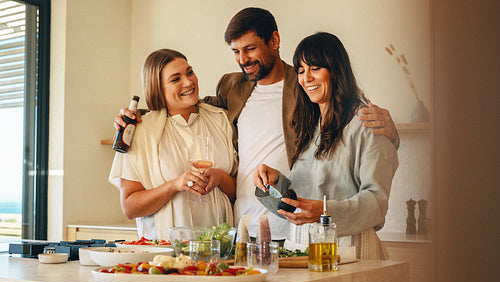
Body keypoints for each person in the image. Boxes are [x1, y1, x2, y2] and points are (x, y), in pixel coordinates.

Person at [114, 7, 399, 243]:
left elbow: (343, 113)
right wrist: (136, 117)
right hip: (241, 228)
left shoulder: (302, 88)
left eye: (249, 48)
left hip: (293, 229)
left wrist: (390, 131)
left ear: (274, 40)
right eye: (236, 51)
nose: (242, 59)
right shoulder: (232, 88)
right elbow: (185, 104)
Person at [253, 32, 399, 259]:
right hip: (301, 249)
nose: (306, 78)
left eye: (315, 68)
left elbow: (377, 202)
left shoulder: (368, 121)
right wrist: (276, 183)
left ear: (335, 69)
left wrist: (325, 212)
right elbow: (306, 198)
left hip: (351, 251)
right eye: (301, 71)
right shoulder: (308, 127)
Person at [109, 49, 237, 240]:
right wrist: (175, 185)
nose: (188, 82)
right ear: (157, 88)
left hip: (219, 249)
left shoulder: (220, 119)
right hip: (167, 251)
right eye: (175, 79)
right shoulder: (141, 131)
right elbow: (130, 207)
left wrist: (220, 178)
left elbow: (238, 193)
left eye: (190, 72)